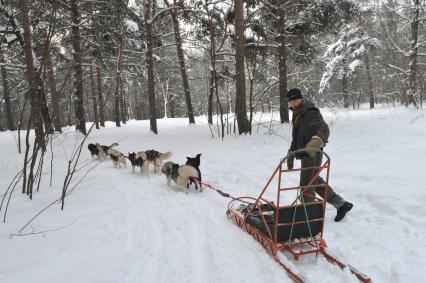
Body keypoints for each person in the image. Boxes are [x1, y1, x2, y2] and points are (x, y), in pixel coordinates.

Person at [286, 88, 353, 222]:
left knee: (307, 185)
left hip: (312, 153)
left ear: (300, 98)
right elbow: (297, 136)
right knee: (314, 181)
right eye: (291, 101)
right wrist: (291, 152)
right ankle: (341, 204)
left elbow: (323, 128)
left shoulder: (309, 111)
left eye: (295, 99)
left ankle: (306, 217)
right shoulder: (297, 113)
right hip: (305, 153)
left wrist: (316, 141)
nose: (293, 103)